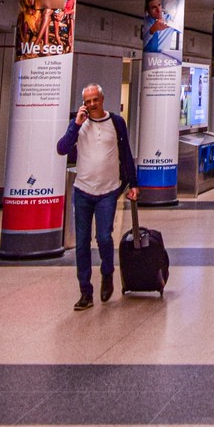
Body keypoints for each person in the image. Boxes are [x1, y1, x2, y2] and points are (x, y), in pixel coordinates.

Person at [56, 84, 138, 311]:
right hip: (83, 190)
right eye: (87, 101)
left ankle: (107, 273)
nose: (91, 104)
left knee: (103, 237)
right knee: (82, 243)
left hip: (108, 190)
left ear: (102, 99)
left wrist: (134, 183)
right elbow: (62, 148)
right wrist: (76, 125)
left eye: (95, 100)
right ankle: (85, 291)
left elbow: (126, 153)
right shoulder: (78, 124)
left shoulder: (116, 122)